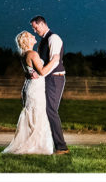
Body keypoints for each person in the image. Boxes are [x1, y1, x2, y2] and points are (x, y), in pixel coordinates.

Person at [2, 31, 54, 155]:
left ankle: (32, 143)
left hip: (29, 87)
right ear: (27, 41)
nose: (34, 37)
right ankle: (37, 146)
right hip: (35, 89)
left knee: (31, 116)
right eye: (31, 36)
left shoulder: (24, 54)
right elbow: (42, 72)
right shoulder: (32, 54)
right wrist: (54, 61)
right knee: (38, 114)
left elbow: (31, 72)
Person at [29, 15, 69, 155]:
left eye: (36, 27)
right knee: (44, 110)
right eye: (33, 28)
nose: (35, 30)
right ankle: (47, 144)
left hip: (55, 79)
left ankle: (62, 147)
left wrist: (40, 74)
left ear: (43, 24)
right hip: (46, 78)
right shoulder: (42, 42)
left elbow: (55, 62)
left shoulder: (54, 38)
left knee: (51, 110)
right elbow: (43, 62)